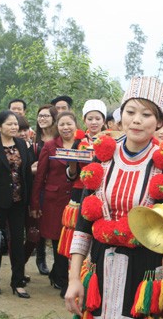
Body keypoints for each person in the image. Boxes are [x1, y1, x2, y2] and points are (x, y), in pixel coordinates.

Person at [64, 76, 163, 318]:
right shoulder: (103, 156)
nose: (136, 120)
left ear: (160, 121)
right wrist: (74, 277)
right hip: (99, 264)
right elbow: (84, 220)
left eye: (147, 114)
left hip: (145, 269)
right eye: (130, 111)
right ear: (121, 115)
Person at [0, 110, 32, 298]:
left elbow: (26, 173)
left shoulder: (22, 144)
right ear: (0, 126)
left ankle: (18, 282)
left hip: (19, 202)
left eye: (15, 124)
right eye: (9, 124)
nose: (14, 127)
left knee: (18, 242)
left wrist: (30, 202)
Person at [30, 111, 77, 298]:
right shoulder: (50, 146)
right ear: (57, 127)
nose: (66, 128)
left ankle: (61, 275)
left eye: (69, 124)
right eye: (62, 124)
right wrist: (35, 204)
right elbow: (40, 177)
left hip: (76, 200)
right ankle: (62, 281)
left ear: (76, 125)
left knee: (74, 241)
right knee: (59, 240)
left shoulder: (84, 145)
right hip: (54, 201)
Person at [58, 99, 107, 259]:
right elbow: (72, 174)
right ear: (84, 120)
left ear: (104, 121)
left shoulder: (111, 141)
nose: (94, 122)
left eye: (98, 118)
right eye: (90, 118)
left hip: (104, 191)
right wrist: (72, 165)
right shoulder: (78, 142)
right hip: (80, 191)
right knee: (80, 230)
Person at [24, 104, 58, 276]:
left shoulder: (60, 139)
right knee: (38, 223)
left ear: (54, 118)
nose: (42, 119)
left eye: (46, 116)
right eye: (40, 116)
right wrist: (33, 169)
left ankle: (58, 265)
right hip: (38, 187)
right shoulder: (34, 142)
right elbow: (27, 166)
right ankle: (41, 258)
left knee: (55, 224)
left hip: (56, 188)